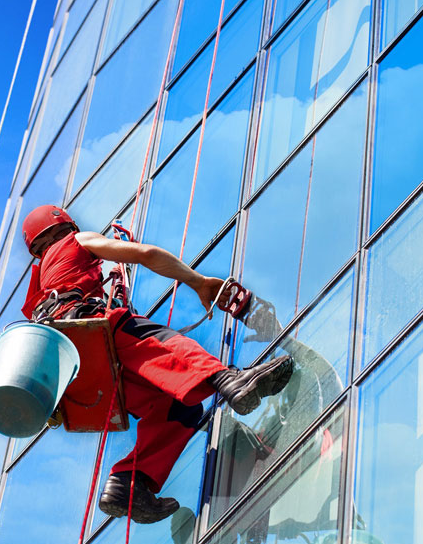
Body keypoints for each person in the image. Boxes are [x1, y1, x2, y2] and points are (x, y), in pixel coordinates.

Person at [19, 205, 293, 524]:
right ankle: (231, 381)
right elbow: (147, 254)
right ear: (64, 225)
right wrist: (198, 282)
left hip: (79, 376)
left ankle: (129, 484)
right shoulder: (77, 241)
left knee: (178, 409)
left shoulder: (39, 284)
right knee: (161, 343)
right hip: (87, 330)